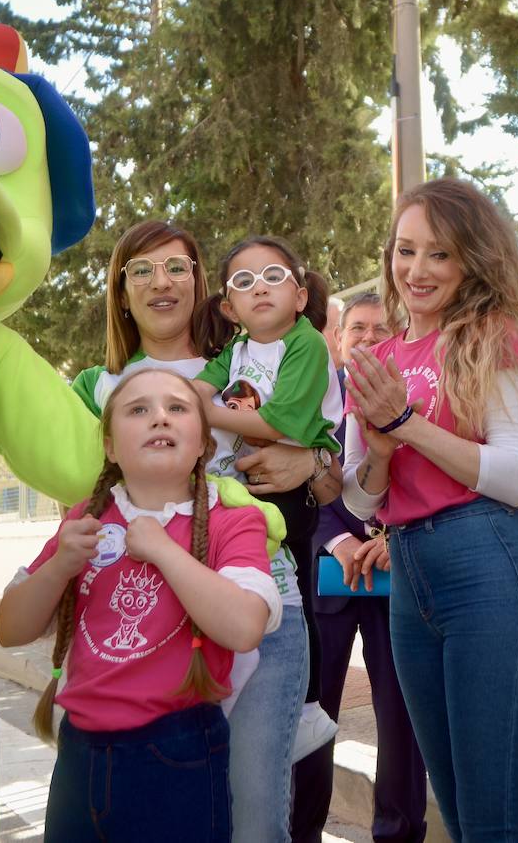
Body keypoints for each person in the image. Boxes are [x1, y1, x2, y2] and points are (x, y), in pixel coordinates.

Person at [71, 220, 340, 843]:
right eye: (141, 270)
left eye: (177, 267)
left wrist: (312, 463)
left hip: (262, 594)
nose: (160, 282)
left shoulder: (251, 360)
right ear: (120, 290)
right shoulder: (97, 387)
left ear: (200, 283)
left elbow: (336, 481)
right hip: (143, 617)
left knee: (258, 809)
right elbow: (83, 503)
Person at [344, 178, 518, 842]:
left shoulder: (492, 337)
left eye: (438, 254)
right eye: (404, 252)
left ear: (471, 259)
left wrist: (405, 423)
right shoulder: (376, 360)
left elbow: (517, 474)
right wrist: (381, 449)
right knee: (459, 818)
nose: (416, 270)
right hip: (410, 579)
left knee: (493, 823)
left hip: (490, 568)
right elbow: (361, 497)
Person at [0, 369, 280, 842]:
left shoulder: (234, 521)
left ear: (204, 446)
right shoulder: (84, 518)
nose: (160, 419)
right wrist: (60, 565)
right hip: (80, 755)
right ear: (110, 446)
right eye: (139, 410)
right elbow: (10, 629)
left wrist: (163, 550)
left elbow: (245, 626)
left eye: (177, 408)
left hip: (179, 753)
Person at [193, 236, 345, 762]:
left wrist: (208, 414)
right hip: (252, 487)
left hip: (294, 490)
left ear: (300, 297)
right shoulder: (236, 351)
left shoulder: (306, 344)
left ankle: (307, 708)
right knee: (254, 588)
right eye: (244, 282)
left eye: (274, 278)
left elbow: (280, 422)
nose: (260, 288)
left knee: (294, 594)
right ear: (229, 308)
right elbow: (200, 389)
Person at [292, 293, 428, 843]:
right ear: (338, 339)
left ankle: (399, 832)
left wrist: (394, 537)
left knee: (402, 721)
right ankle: (302, 830)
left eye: (381, 329)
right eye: (357, 330)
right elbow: (298, 483)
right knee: (312, 718)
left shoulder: (418, 397)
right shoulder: (312, 401)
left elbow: (429, 481)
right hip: (330, 579)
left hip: (398, 575)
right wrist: (338, 540)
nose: (369, 339)